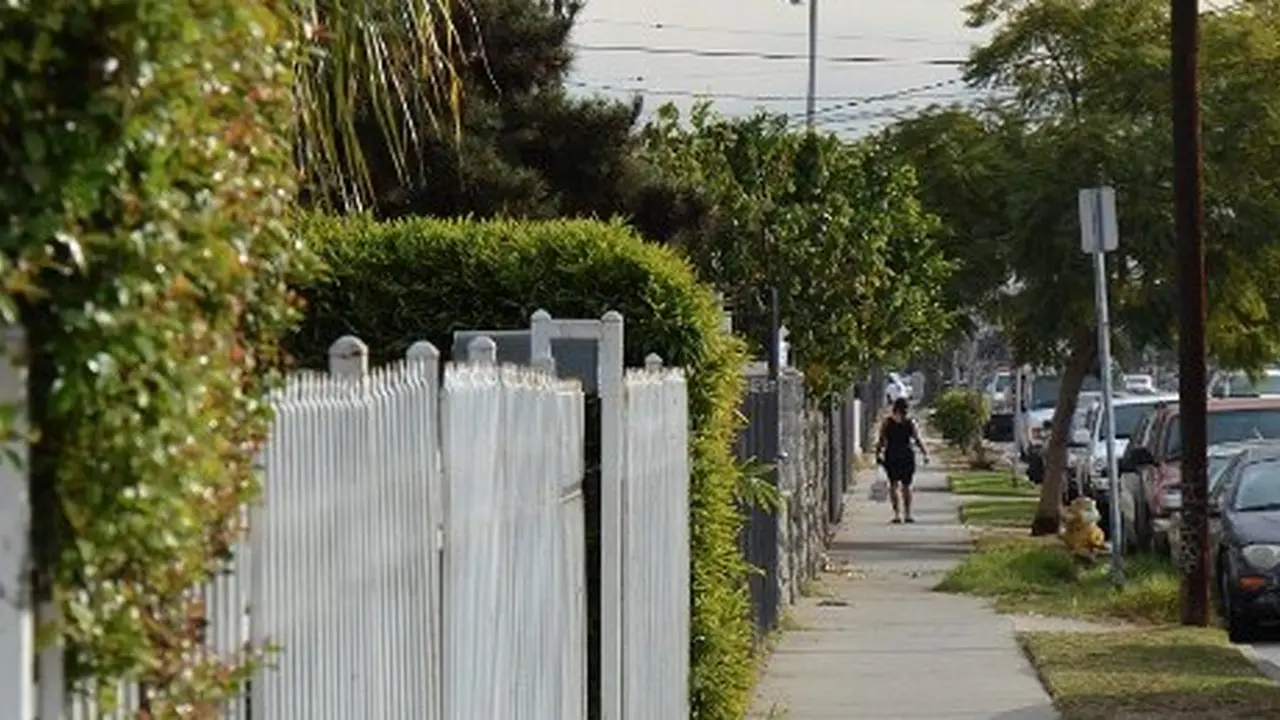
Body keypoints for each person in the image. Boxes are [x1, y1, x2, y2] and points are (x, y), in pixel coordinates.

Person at [875, 398, 930, 524]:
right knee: (906, 486)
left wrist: (878, 454)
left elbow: (881, 440)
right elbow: (917, 439)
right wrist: (925, 454)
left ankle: (896, 515)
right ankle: (908, 514)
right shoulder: (910, 422)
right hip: (906, 455)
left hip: (892, 455)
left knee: (893, 485)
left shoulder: (887, 422)